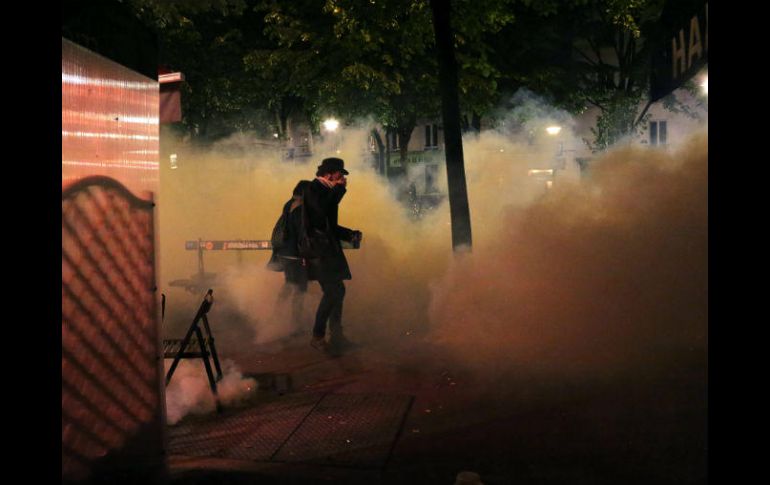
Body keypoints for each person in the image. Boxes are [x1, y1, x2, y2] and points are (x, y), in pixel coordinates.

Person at [302, 157, 362, 354]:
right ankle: (319, 336)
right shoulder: (314, 189)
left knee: (337, 291)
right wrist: (339, 190)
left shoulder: (324, 190)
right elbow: (320, 216)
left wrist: (348, 234)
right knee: (333, 292)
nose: (342, 177)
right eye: (340, 173)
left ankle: (335, 335)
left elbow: (329, 225)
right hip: (320, 252)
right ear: (329, 173)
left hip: (326, 250)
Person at [268, 181, 312, 330]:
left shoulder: (289, 204)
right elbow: (302, 234)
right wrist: (306, 255)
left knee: (289, 284)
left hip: (284, 253)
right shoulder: (301, 209)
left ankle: (276, 315)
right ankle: (296, 323)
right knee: (300, 288)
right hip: (295, 254)